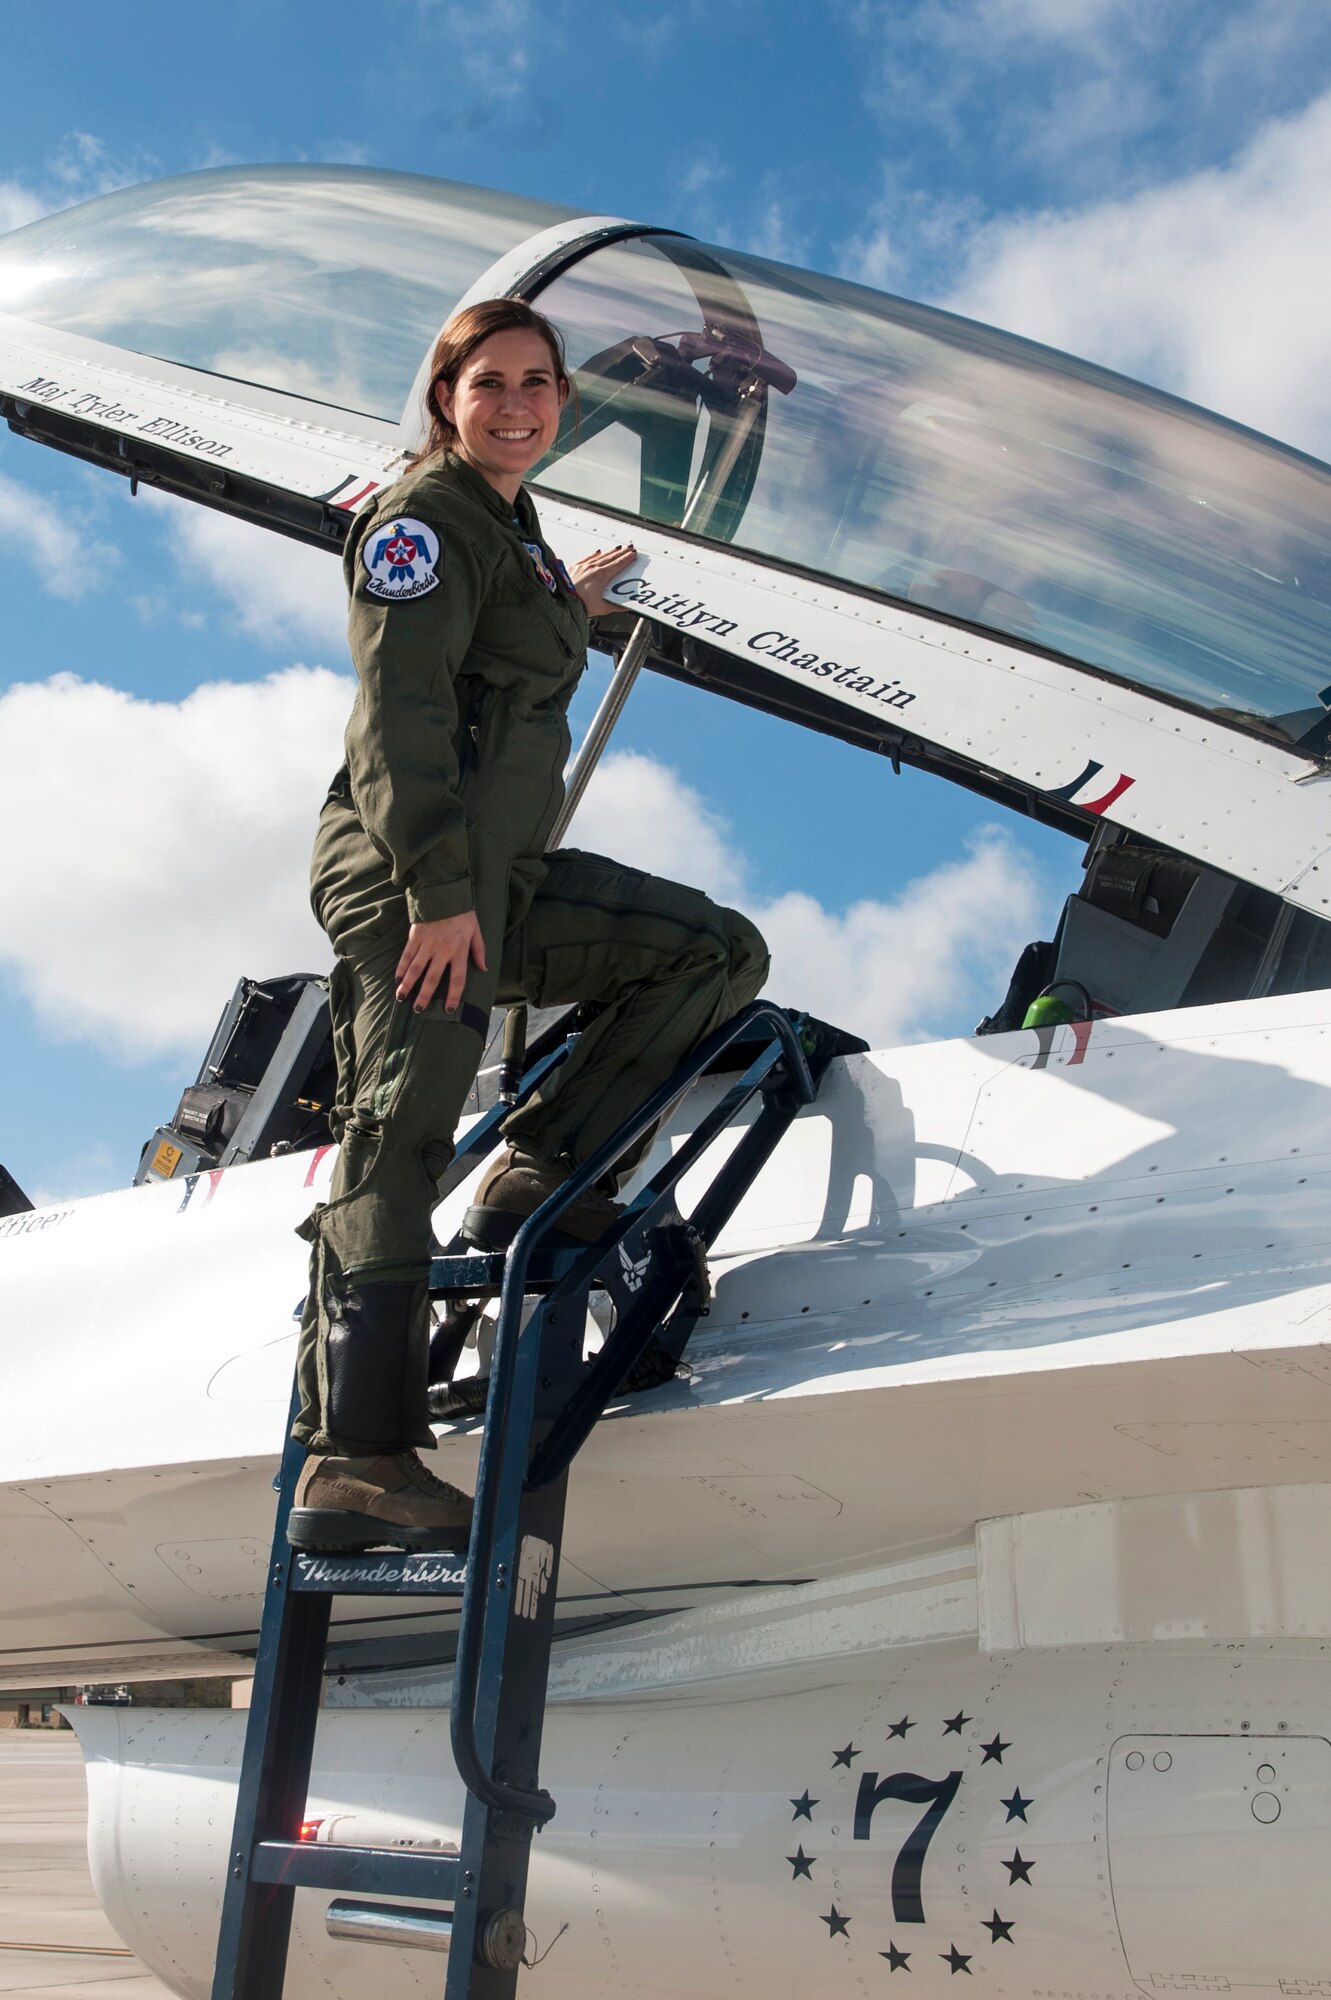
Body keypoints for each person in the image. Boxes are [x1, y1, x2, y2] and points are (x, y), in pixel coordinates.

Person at [287, 298, 769, 1555]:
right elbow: (398, 714)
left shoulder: (513, 525)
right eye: (488, 383)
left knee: (712, 951)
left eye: (539, 383)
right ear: (444, 397)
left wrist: (577, 598)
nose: (517, 406)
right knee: (396, 1135)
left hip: (499, 879)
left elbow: (510, 631)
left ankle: (537, 1174)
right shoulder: (423, 522)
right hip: (416, 884)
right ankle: (356, 1461)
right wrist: (438, 898)